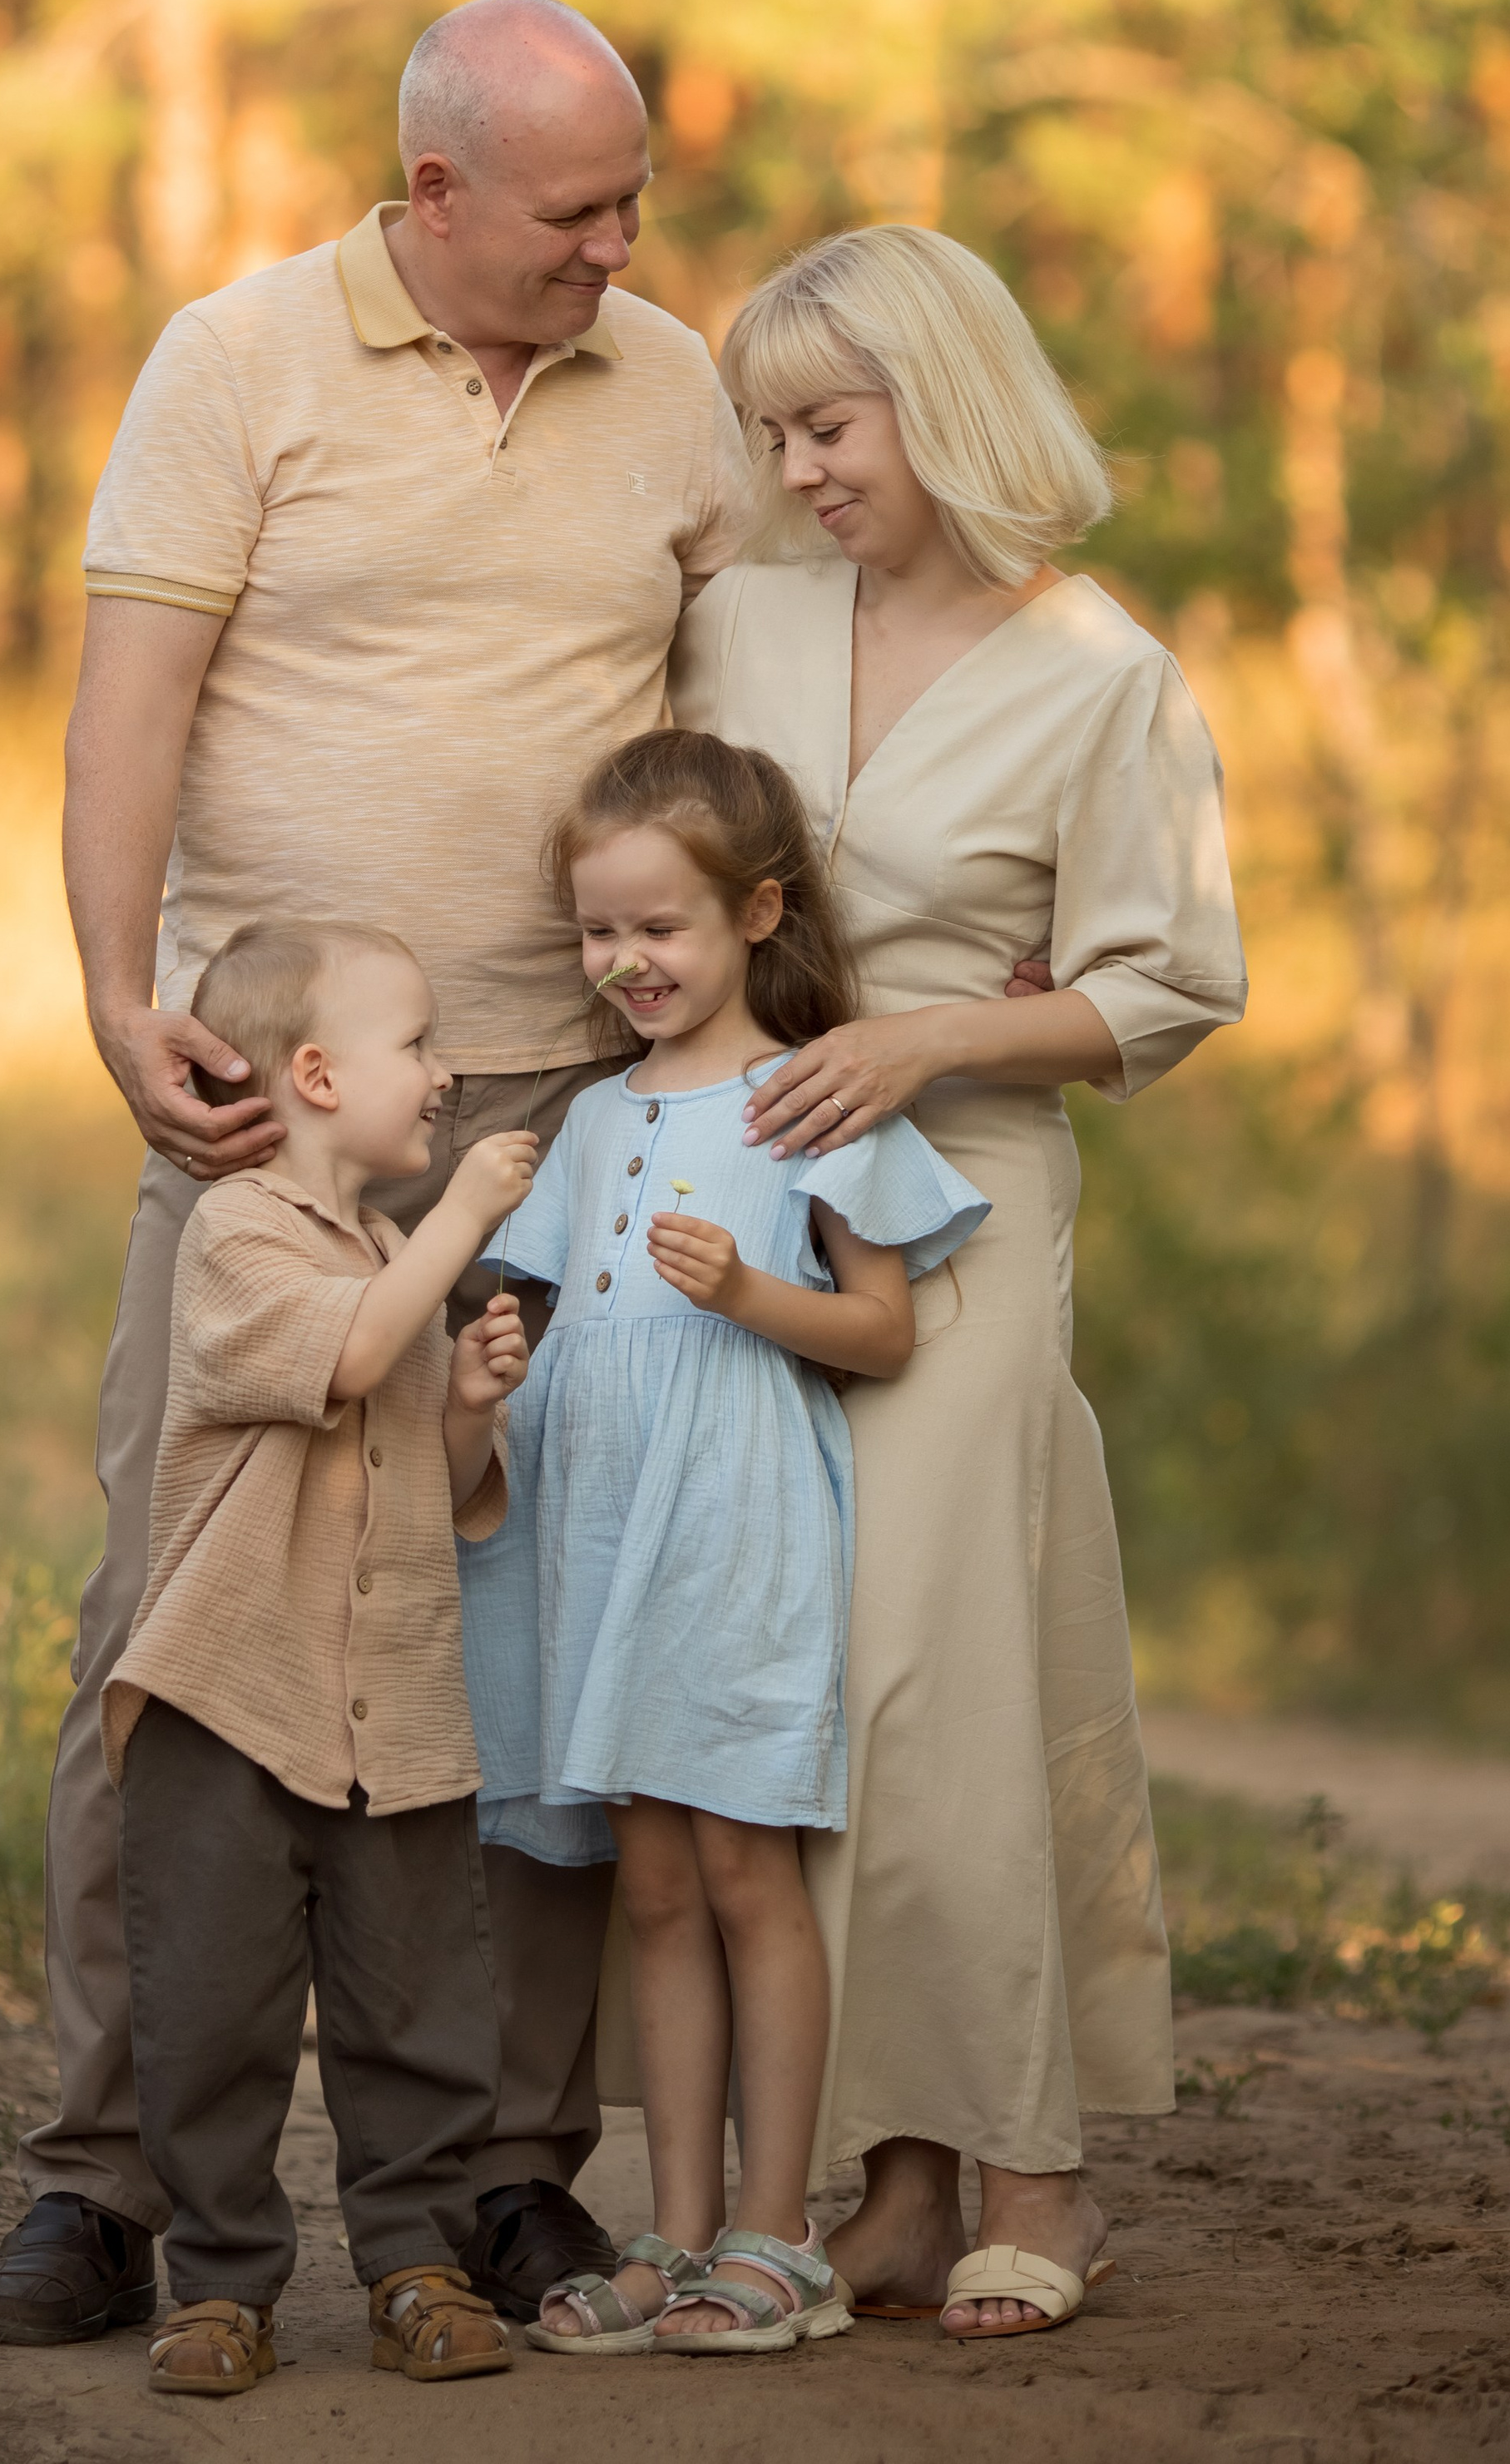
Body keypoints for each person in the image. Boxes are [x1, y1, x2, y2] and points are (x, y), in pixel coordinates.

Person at [0, 0, 755, 2347]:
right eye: (574, 210)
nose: (619, 246)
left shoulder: (678, 387)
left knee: (513, 1639)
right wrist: (123, 1001)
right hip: (274, 1118)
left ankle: (504, 2168)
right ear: (431, 194)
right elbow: (132, 708)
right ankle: (107, 2174)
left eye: (633, 203)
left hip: (568, 1115)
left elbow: (740, 737)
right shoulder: (237, 361)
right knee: (179, 1634)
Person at [670, 224, 1247, 2340]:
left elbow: (1167, 981)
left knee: (935, 1666)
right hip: (740, 1197)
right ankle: (891, 2179)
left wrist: (936, 1035)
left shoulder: (1101, 672)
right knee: (809, 1677)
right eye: (772, 432)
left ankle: (1037, 2169)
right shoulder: (737, 618)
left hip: (967, 1198)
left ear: (946, 400)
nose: (798, 468)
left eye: (826, 425)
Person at [462, 731, 988, 2359]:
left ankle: (777, 2230)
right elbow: (549, 1313)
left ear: (756, 912)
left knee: (749, 1872)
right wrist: (493, 1363)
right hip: (601, 1537)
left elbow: (883, 1329)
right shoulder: (592, 1117)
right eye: (594, 931)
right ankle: (672, 2227)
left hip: (735, 1527)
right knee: (659, 1887)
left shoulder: (806, 1096)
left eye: (658, 927)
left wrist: (745, 1291)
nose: (624, 960)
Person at [101, 918, 534, 2392]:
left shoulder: (394, 1252)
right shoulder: (237, 1234)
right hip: (234, 1697)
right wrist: (470, 1220)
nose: (445, 1072)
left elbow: (420, 1458)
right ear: (313, 1074)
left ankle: (415, 2252)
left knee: (418, 1999)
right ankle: (221, 2278)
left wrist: (467, 1399)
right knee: (214, 2004)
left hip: (391, 1700)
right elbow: (344, 1361)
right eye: (416, 1044)